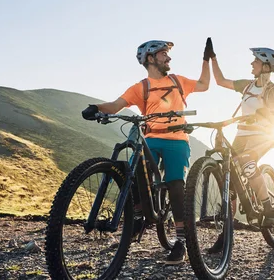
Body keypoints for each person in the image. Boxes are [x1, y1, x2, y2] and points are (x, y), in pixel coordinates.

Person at [81, 38, 216, 265]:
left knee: (175, 184)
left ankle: (181, 241)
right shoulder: (140, 88)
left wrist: (206, 59)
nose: (169, 57)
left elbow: (204, 84)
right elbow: (115, 106)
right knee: (133, 172)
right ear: (150, 59)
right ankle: (139, 216)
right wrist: (96, 108)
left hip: (177, 139)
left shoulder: (178, 81)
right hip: (151, 138)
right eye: (164, 54)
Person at [204, 38, 274, 253]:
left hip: (263, 136)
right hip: (241, 136)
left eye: (255, 61)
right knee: (230, 176)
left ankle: (269, 209)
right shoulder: (247, 86)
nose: (251, 64)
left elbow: (272, 113)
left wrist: (261, 116)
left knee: (247, 163)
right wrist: (212, 58)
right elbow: (221, 81)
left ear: (266, 66)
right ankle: (226, 234)